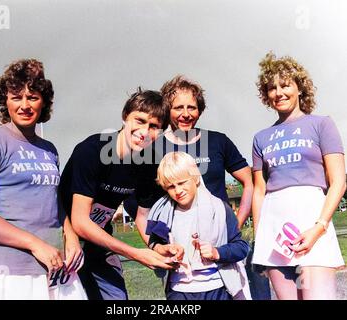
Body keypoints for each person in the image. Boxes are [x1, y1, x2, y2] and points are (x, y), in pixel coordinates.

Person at [0, 59, 87, 299]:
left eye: (33, 97)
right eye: (16, 97)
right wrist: (35, 244)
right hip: (11, 274)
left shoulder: (49, 149)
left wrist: (71, 237)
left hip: (58, 270)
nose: (24, 105)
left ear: (44, 102)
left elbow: (55, 205)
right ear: (5, 101)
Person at [133, 75, 259, 299]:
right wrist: (156, 248)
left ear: (200, 109)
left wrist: (235, 224)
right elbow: (142, 214)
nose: (185, 114)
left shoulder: (218, 141)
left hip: (220, 258)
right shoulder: (154, 149)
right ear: (167, 109)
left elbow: (249, 181)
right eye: (178, 107)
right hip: (182, 269)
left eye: (192, 107)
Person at [59, 88, 176, 300]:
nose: (144, 131)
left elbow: (142, 216)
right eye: (139, 121)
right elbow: (79, 221)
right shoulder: (93, 151)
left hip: (98, 242)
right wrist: (135, 253)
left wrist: (156, 247)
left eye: (153, 126)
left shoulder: (149, 163)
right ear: (125, 117)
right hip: (64, 238)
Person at [252, 52, 346, 300]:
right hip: (275, 230)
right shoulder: (260, 138)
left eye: (285, 85)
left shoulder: (321, 124)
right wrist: (262, 238)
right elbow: (259, 190)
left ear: (300, 88)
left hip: (312, 223)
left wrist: (319, 227)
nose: (278, 93)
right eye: (271, 88)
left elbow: (338, 182)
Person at [146, 152, 249, 300]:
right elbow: (154, 242)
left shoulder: (220, 209)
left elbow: (241, 247)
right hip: (178, 291)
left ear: (195, 178)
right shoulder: (162, 212)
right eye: (171, 186)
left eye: (182, 183)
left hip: (217, 289)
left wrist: (216, 252)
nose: (178, 191)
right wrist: (165, 249)